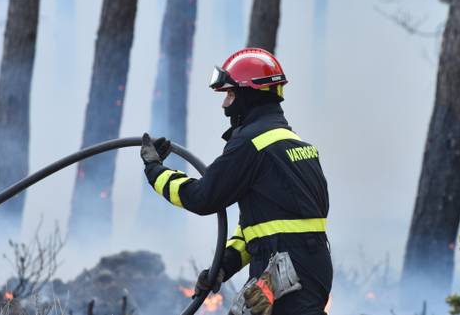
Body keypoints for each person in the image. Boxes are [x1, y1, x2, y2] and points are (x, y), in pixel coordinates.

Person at [140, 48, 332, 315]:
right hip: (309, 266)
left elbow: (202, 198)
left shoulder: (252, 143)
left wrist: (154, 171)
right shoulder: (294, 144)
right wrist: (224, 266)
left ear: (248, 94)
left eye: (230, 94)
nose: (224, 104)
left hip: (284, 266)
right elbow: (262, 227)